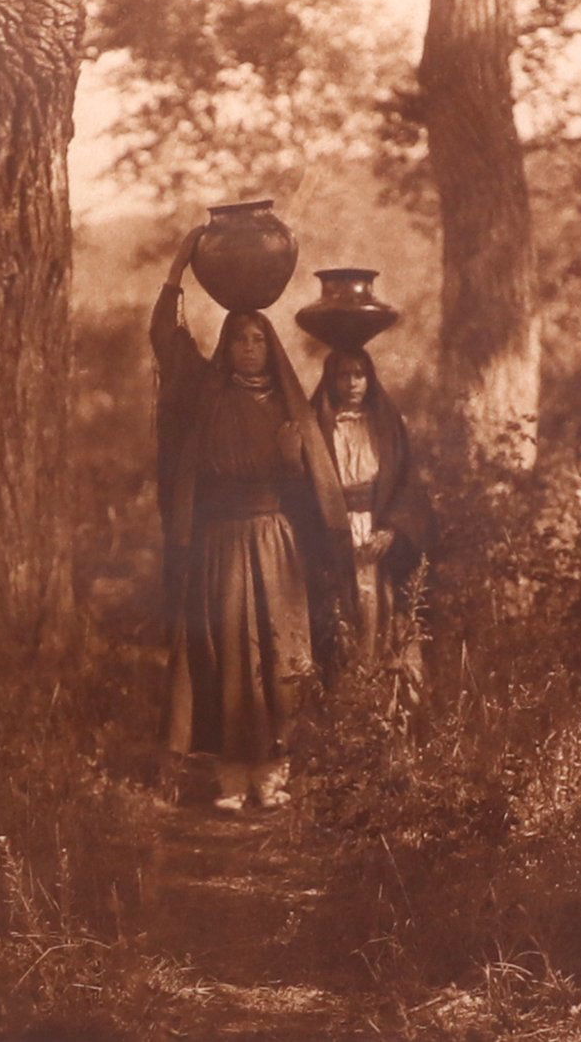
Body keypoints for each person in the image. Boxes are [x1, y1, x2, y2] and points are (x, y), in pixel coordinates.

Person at [151, 229, 353, 811]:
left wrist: (293, 464)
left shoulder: (292, 410)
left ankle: (275, 772)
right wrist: (178, 269)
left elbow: (314, 494)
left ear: (271, 348)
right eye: (238, 340)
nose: (247, 348)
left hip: (275, 545)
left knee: (281, 650)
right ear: (227, 346)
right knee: (227, 650)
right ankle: (232, 776)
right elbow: (166, 341)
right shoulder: (204, 395)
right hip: (220, 545)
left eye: (258, 340)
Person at [310, 348, 437, 665]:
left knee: (383, 608)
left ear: (369, 378)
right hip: (334, 528)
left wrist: (392, 530)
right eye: (344, 375)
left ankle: (383, 689)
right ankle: (347, 686)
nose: (352, 383)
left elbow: (407, 482)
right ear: (331, 379)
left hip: (377, 528)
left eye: (360, 374)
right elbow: (304, 487)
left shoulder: (386, 424)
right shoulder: (318, 426)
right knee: (342, 613)